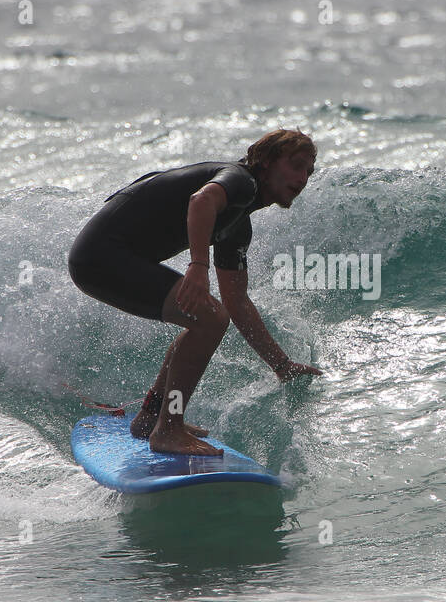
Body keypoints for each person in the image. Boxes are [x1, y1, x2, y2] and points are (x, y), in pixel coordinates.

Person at [68, 129, 324, 456]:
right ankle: (169, 428)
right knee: (209, 318)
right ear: (267, 162)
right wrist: (199, 266)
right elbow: (201, 200)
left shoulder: (236, 225)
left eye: (309, 171)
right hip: (102, 256)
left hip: (103, 259)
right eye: (296, 166)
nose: (303, 178)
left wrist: (281, 365)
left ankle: (152, 416)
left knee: (209, 318)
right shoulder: (240, 180)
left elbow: (238, 303)